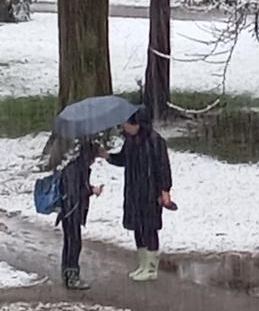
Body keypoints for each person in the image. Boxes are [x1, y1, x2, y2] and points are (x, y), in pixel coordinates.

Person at [104, 106, 173, 282]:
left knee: (149, 228)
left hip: (151, 192)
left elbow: (163, 167)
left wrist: (164, 190)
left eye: (128, 124)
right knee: (138, 228)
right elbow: (123, 159)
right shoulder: (130, 142)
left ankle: (151, 268)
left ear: (138, 124)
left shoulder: (156, 142)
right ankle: (142, 264)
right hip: (134, 191)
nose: (125, 127)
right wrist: (107, 156)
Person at [58, 140, 104, 290]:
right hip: (72, 211)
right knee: (74, 244)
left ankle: (67, 274)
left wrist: (89, 189)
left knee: (70, 243)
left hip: (68, 211)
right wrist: (91, 190)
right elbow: (76, 192)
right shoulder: (78, 169)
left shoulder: (75, 167)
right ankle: (72, 277)